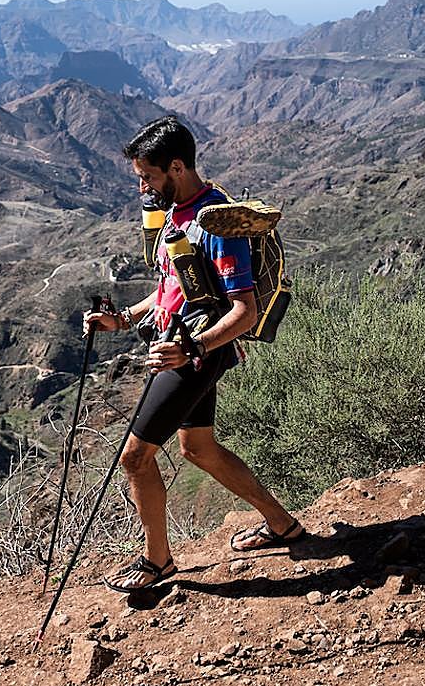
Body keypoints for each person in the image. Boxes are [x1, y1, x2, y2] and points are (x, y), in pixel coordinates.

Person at [84, 115, 303, 592]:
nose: (142, 187)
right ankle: (283, 525)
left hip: (195, 353)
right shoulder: (175, 213)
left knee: (135, 459)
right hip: (180, 347)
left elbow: (244, 312)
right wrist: (121, 319)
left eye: (148, 176)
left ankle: (158, 561)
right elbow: (171, 286)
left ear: (177, 167)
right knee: (198, 448)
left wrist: (193, 349)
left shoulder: (218, 224)